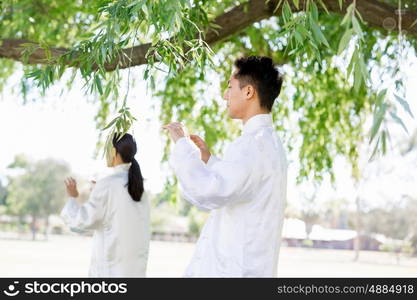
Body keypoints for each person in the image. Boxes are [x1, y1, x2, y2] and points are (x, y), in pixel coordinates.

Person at [163, 56, 287, 277]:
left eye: (230, 87)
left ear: (248, 92)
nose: (224, 96)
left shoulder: (251, 145)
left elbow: (208, 192)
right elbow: (243, 183)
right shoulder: (269, 142)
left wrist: (182, 144)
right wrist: (209, 160)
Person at [60, 133, 150, 277]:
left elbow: (80, 223)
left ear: (114, 152)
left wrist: (73, 197)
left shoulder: (108, 184)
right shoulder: (141, 189)